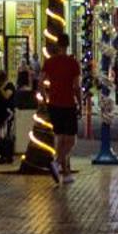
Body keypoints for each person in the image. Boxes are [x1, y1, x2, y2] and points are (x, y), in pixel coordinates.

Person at [41, 32, 82, 183]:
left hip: (54, 103)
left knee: (60, 138)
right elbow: (77, 86)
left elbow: (40, 82)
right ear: (68, 44)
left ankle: (64, 173)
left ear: (57, 45)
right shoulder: (73, 63)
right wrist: (80, 103)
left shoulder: (50, 62)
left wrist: (45, 98)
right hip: (68, 103)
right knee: (70, 140)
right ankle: (57, 163)